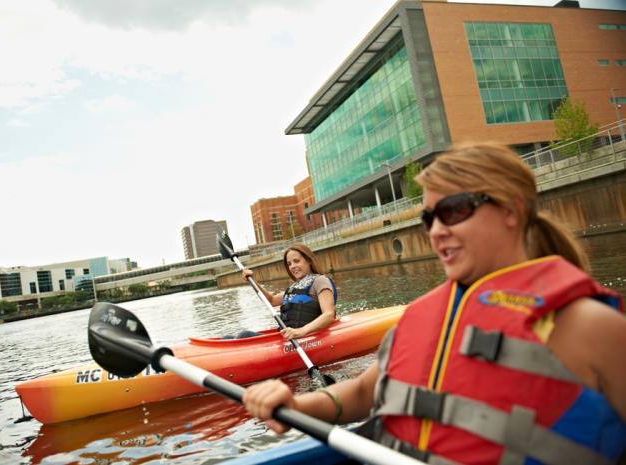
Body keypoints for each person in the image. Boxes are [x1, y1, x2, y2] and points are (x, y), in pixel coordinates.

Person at [243, 143, 626, 465]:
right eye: (429, 218)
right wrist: (296, 404)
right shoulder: (422, 314)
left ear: (511, 209)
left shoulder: (591, 327)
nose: (437, 230)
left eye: (454, 210)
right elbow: (363, 393)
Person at [241, 243, 337, 340]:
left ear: (308, 260)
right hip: (286, 338)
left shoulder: (320, 281)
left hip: (304, 337)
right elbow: (271, 301)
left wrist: (301, 331)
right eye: (289, 264)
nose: (292, 266)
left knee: (244, 335)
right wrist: (253, 282)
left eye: (296, 261)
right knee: (231, 337)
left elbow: (329, 314)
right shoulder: (294, 287)